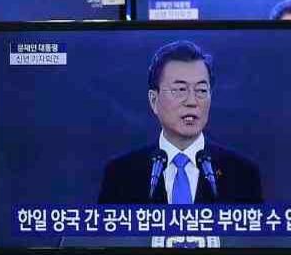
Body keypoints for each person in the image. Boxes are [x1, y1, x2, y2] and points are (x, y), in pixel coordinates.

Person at [97, 40, 263, 205]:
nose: (192, 101)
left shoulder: (242, 173)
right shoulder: (121, 174)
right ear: (154, 100)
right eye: (180, 90)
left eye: (201, 90)